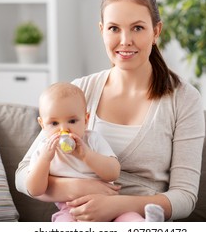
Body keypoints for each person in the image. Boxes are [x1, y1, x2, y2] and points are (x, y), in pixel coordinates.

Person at [16, 0, 205, 222]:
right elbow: (24, 175)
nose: (125, 40)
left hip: (137, 218)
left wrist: (116, 205)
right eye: (114, 28)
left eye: (137, 28)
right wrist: (76, 188)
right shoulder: (80, 90)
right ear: (102, 30)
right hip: (78, 215)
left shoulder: (184, 99)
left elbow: (185, 197)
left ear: (156, 31)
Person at [27, 82, 165, 222]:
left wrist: (86, 155)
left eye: (72, 121)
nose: (64, 129)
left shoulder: (92, 140)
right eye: (54, 123)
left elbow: (113, 172)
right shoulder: (43, 151)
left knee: (128, 218)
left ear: (86, 120)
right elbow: (35, 190)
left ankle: (148, 226)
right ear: (42, 125)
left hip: (110, 206)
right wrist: (45, 160)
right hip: (72, 210)